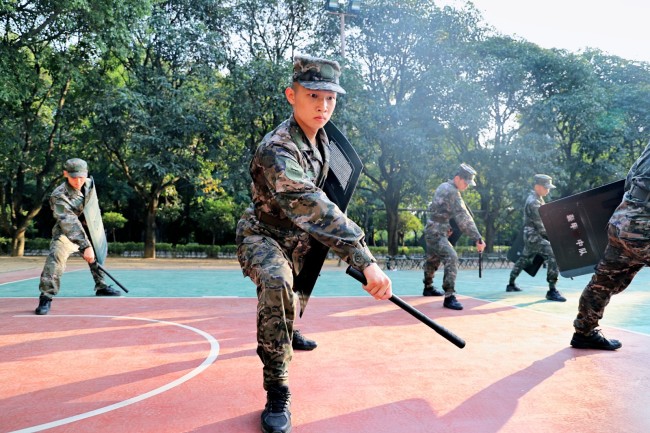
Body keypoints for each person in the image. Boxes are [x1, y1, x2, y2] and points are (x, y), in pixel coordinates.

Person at [235, 55, 393, 433]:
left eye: (331, 99)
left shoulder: (325, 141)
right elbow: (313, 203)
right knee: (277, 285)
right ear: (291, 95)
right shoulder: (277, 148)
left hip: (301, 237)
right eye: (313, 96)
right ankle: (277, 391)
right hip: (265, 233)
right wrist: (363, 257)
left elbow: (336, 191)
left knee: (296, 292)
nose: (323, 106)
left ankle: (289, 329)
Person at [570, 142, 650, 350]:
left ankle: (583, 332)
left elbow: (629, 180)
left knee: (602, 282)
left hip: (621, 223)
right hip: (645, 228)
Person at [35, 158, 121, 315]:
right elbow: (68, 221)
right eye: (74, 177)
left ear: (86, 174)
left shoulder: (89, 184)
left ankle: (101, 286)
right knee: (56, 258)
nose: (78, 181)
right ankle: (46, 297)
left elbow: (92, 207)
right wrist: (85, 245)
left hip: (88, 228)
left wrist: (94, 235)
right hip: (67, 231)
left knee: (97, 257)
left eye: (81, 176)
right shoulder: (59, 195)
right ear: (65, 174)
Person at [422, 163, 485, 310]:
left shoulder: (443, 186)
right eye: (466, 182)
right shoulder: (453, 192)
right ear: (457, 178)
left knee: (433, 259)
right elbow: (464, 218)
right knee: (451, 257)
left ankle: (428, 287)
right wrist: (478, 238)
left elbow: (439, 211)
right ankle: (449, 296)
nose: (467, 186)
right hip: (437, 232)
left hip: (433, 229)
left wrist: (447, 226)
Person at [506, 174, 566, 302]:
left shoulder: (537, 198)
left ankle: (511, 284)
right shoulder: (534, 202)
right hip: (534, 236)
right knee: (553, 254)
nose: (548, 190)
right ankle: (552, 290)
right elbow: (542, 226)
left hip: (531, 236)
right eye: (545, 187)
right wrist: (555, 238)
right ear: (537, 186)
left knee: (524, 259)